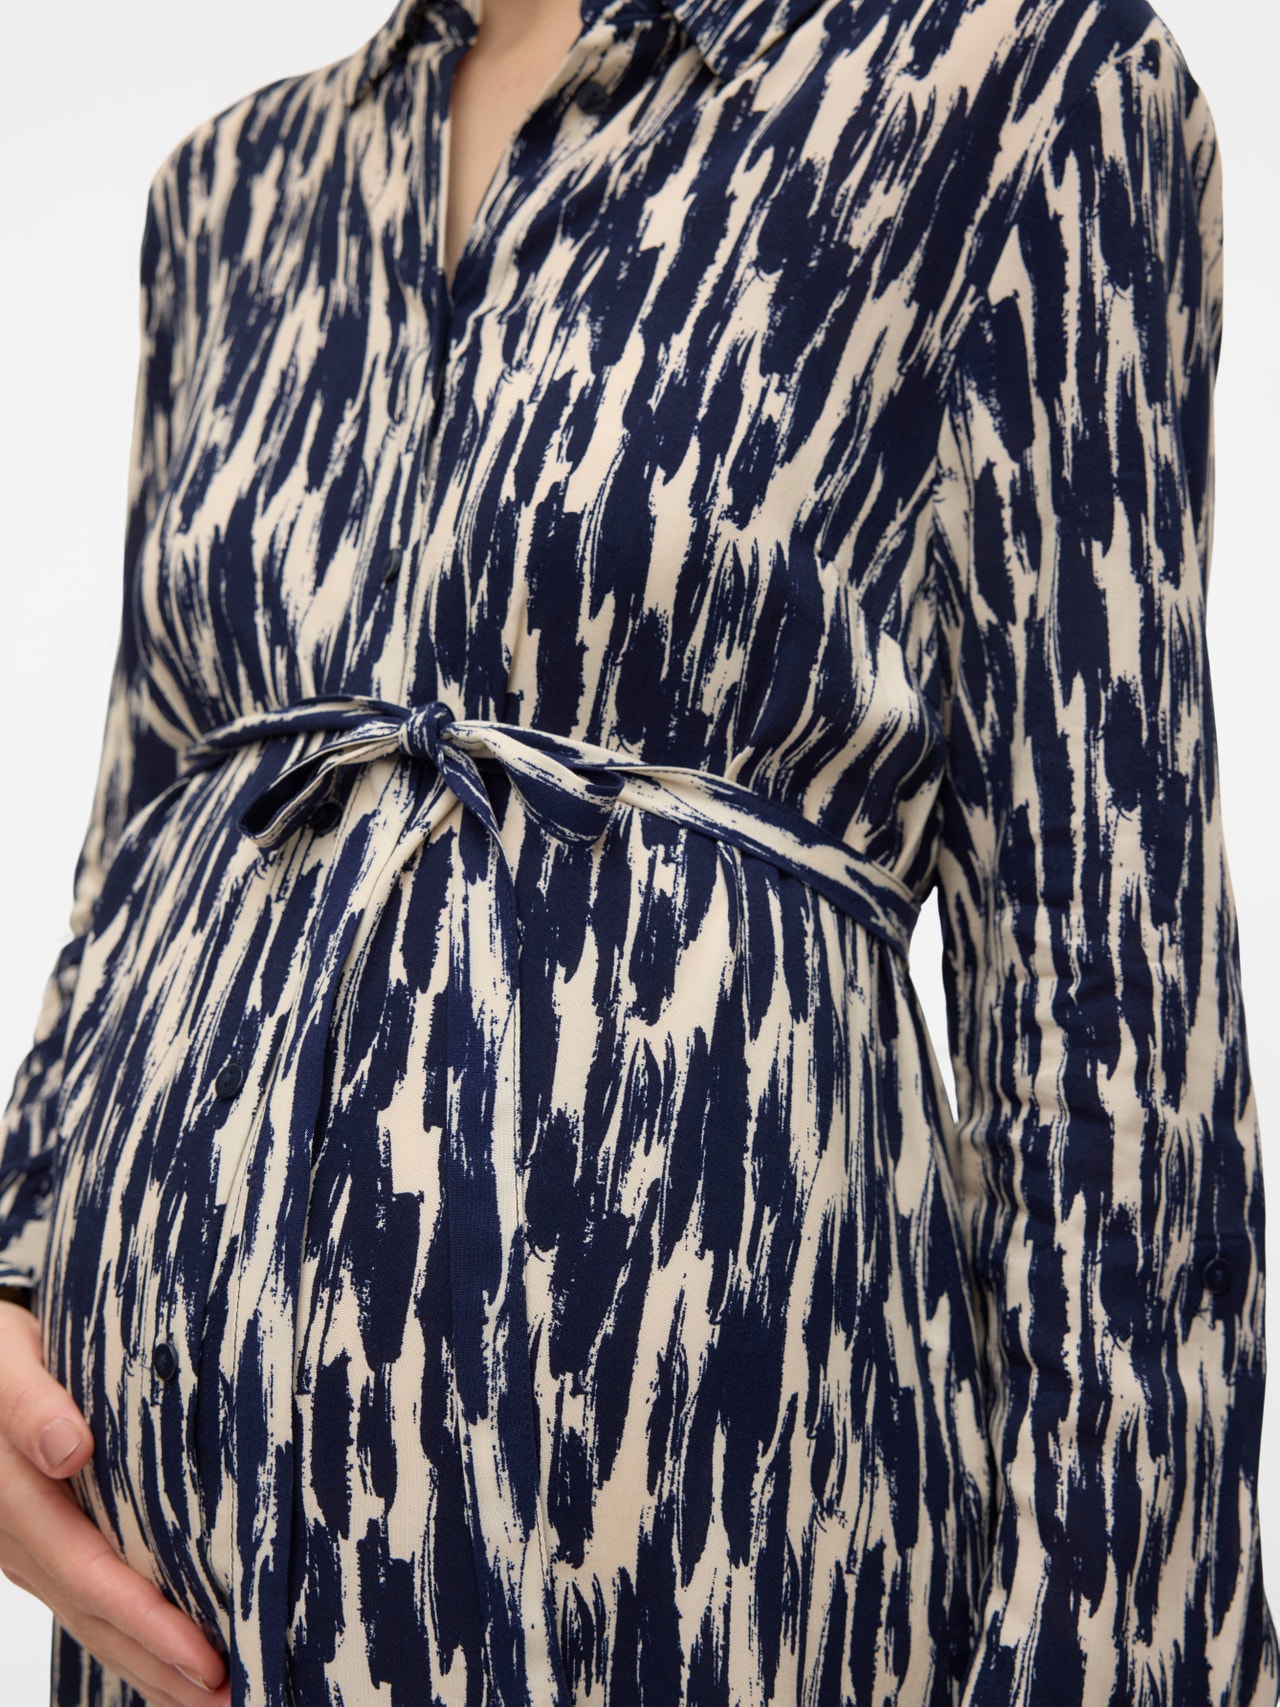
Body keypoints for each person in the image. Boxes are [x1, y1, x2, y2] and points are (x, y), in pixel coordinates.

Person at [0, 0, 1275, 1701]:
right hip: (174, 1583)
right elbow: (139, 842)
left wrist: (1123, 1653)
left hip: (721, 1562)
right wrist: (10, 1275)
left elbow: (1112, 993)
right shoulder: (229, 193)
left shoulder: (1020, 84)